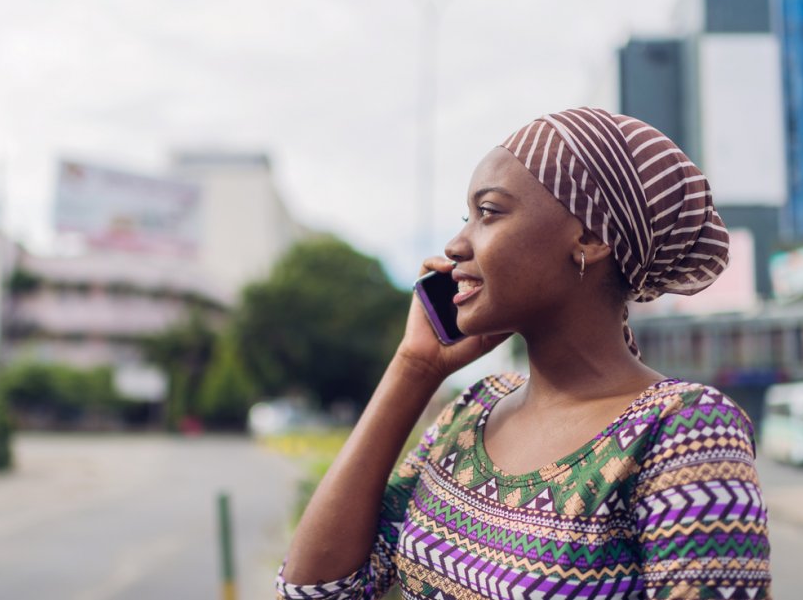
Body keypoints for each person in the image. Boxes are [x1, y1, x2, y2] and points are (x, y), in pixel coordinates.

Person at [276, 107, 771, 599]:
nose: (454, 245)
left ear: (591, 236)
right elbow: (314, 593)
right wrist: (415, 367)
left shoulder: (684, 430)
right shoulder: (473, 410)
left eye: (488, 213)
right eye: (465, 218)